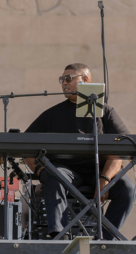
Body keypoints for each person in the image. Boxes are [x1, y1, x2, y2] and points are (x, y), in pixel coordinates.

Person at [24, 63, 135, 240]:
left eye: (68, 78)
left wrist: (105, 179)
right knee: (56, 174)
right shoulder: (52, 114)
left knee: (128, 189)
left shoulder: (105, 112)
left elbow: (123, 148)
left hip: (99, 172)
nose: (63, 83)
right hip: (66, 171)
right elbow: (25, 146)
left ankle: (106, 239)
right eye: (61, 80)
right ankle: (58, 235)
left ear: (85, 80)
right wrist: (40, 171)